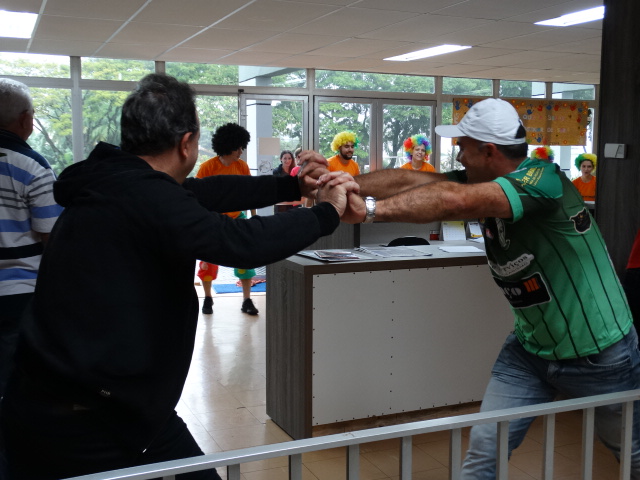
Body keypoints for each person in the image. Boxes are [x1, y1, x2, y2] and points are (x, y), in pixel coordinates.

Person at [0, 73, 356, 480]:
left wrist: (291, 185)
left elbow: (210, 192)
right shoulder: (145, 195)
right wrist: (326, 212)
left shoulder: (114, 181)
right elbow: (238, 242)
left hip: (72, 399)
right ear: (186, 143)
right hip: (91, 417)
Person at [322, 98, 640, 479]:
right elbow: (410, 180)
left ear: (488, 151)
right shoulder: (478, 179)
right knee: (484, 452)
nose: (457, 155)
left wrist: (371, 211)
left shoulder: (544, 181)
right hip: (531, 351)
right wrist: (339, 184)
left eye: (463, 146)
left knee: (632, 453)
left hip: (600, 352)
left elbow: (455, 201)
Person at [0, 79, 63, 399]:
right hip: (18, 295)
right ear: (25, 119)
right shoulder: (31, 166)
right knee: (16, 386)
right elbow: (53, 236)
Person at [195, 123, 260, 316]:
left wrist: (254, 217)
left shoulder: (242, 167)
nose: (241, 151)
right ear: (228, 146)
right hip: (213, 220)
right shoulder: (207, 167)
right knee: (208, 261)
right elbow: (197, 196)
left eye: (242, 147)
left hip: (237, 219)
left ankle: (247, 300)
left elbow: (251, 194)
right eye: (238, 147)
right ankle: (208, 298)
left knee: (245, 258)